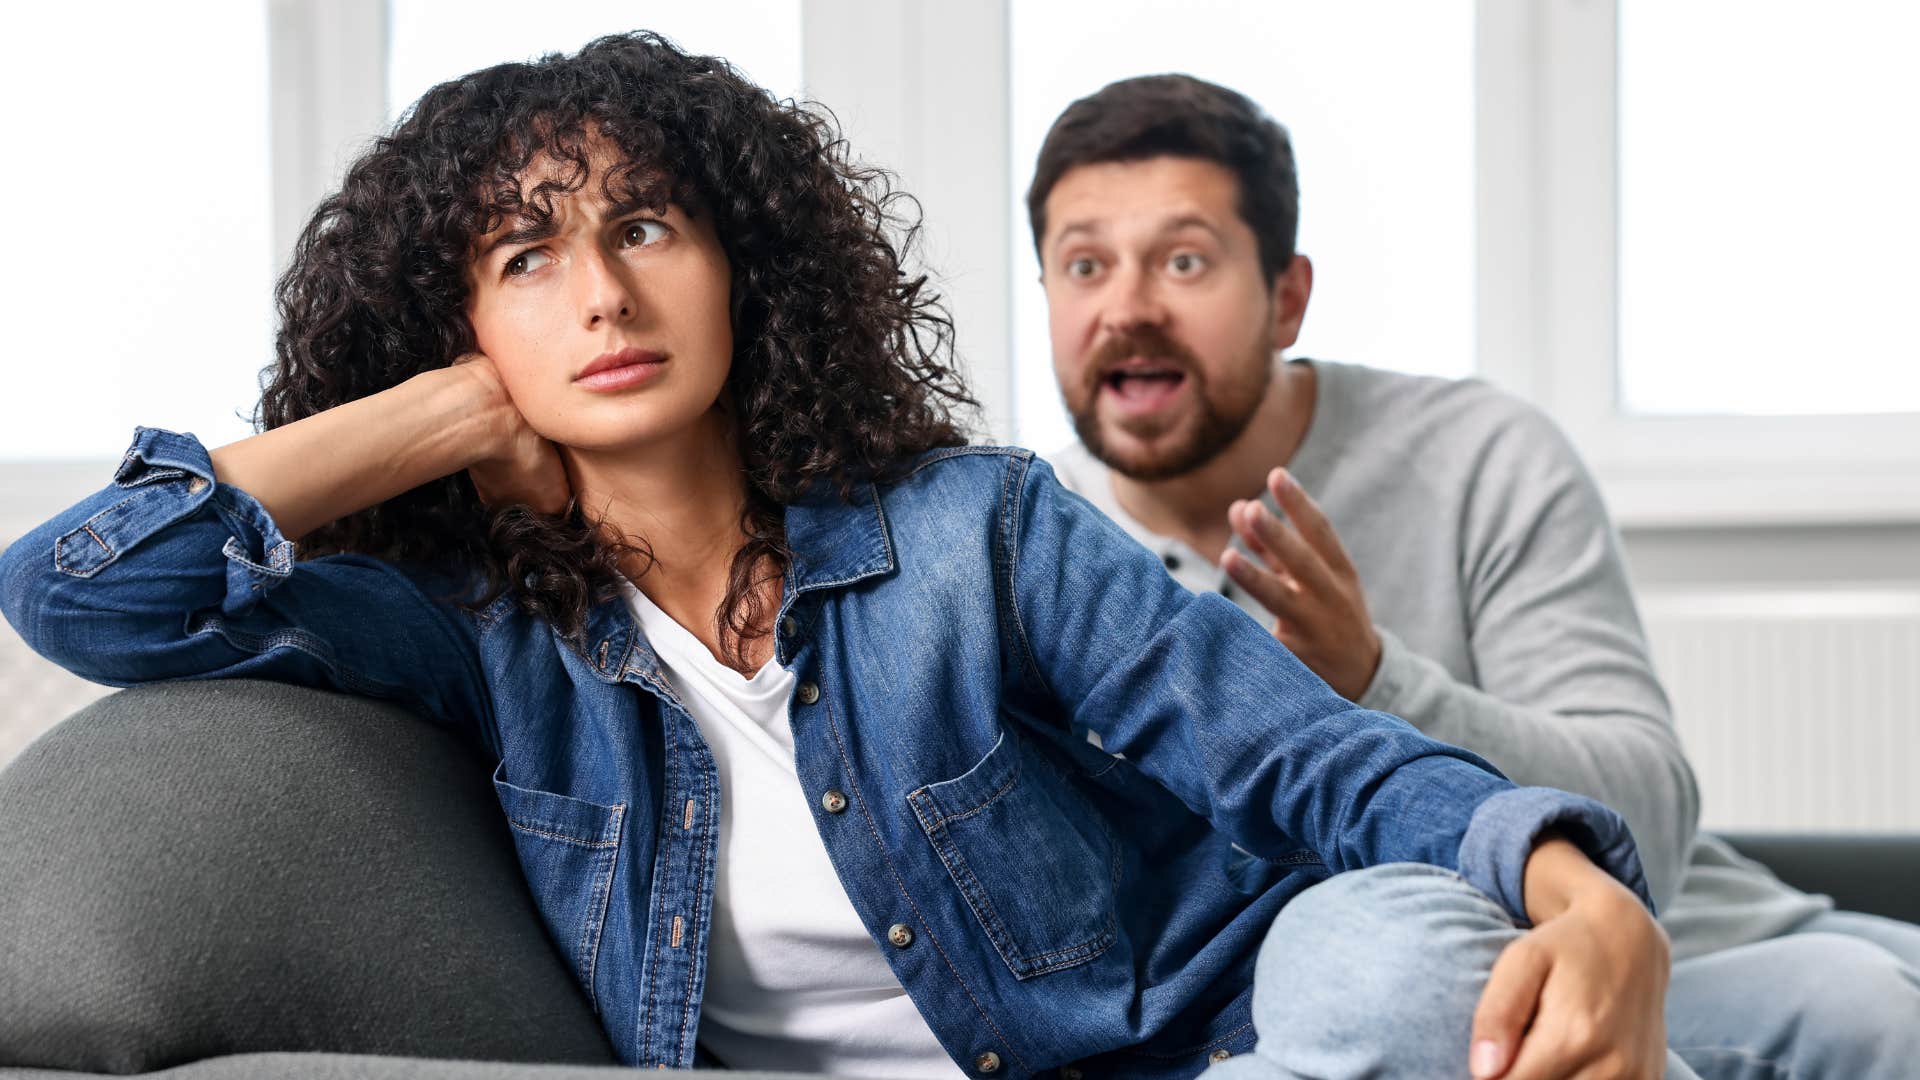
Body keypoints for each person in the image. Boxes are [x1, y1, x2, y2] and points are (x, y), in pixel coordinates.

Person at [1, 34, 1686, 1080]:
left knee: (1406, 958)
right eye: (526, 258)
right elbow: (77, 588)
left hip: (1222, 1036)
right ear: (460, 328)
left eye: (646, 226)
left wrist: (1579, 888)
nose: (600, 296)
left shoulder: (976, 526)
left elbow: (1301, 757)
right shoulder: (476, 631)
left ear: (748, 266)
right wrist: (430, 416)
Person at [1028, 72, 1920, 1078]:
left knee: (1870, 1005)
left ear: (1287, 298)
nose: (1128, 308)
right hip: (1363, 1006)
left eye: (1184, 261)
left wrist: (1374, 680)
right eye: (1084, 265)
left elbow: (1655, 830)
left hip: (1694, 954)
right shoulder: (1030, 552)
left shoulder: (1477, 455)